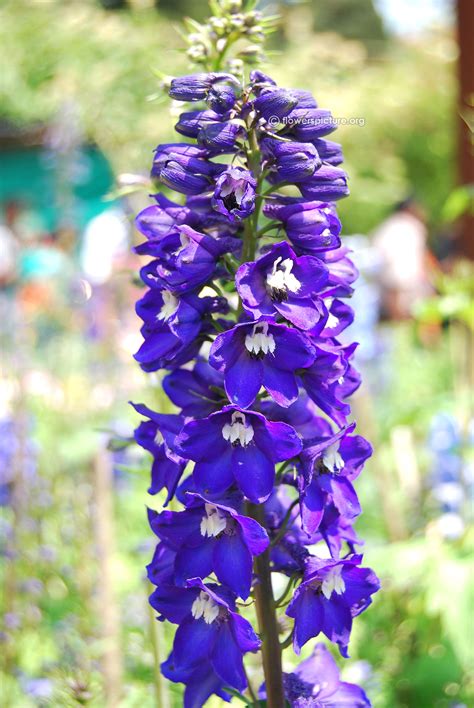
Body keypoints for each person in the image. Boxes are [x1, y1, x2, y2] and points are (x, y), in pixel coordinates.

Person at [372, 197, 432, 319]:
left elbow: (377, 247)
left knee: (395, 308)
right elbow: (420, 253)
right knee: (413, 311)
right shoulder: (414, 225)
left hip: (389, 272)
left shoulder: (387, 224)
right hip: (408, 273)